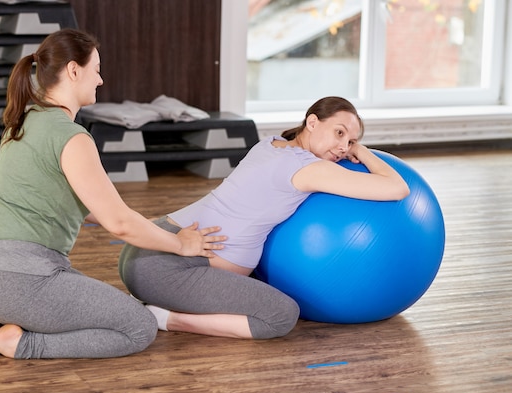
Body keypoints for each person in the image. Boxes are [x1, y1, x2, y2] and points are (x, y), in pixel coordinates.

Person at [0, 28, 226, 361]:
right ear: (74, 70)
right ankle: (16, 343)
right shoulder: (72, 137)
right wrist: (180, 244)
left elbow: (80, 205)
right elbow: (118, 223)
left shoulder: (23, 119)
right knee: (138, 326)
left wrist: (148, 228)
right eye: (96, 69)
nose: (100, 80)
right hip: (17, 282)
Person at [118, 96, 410, 340]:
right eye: (339, 133)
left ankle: (155, 299)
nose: (345, 147)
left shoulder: (269, 144)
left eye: (353, 141)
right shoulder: (310, 169)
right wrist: (365, 152)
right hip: (168, 266)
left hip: (147, 247)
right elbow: (398, 188)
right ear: (312, 122)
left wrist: (351, 144)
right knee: (280, 316)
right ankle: (165, 317)